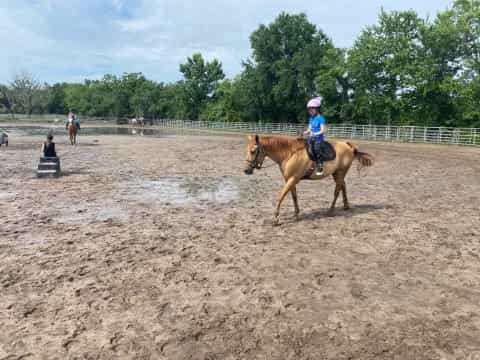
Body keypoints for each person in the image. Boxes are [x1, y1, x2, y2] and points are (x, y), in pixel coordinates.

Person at [303, 98, 327, 176]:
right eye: (309, 109)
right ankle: (310, 164)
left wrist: (315, 133)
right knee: (305, 148)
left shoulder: (321, 119)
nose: (310, 111)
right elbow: (310, 128)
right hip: (311, 138)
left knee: (317, 150)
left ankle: (320, 167)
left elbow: (323, 130)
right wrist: (306, 132)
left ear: (317, 109)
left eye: (312, 109)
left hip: (318, 139)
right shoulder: (311, 119)